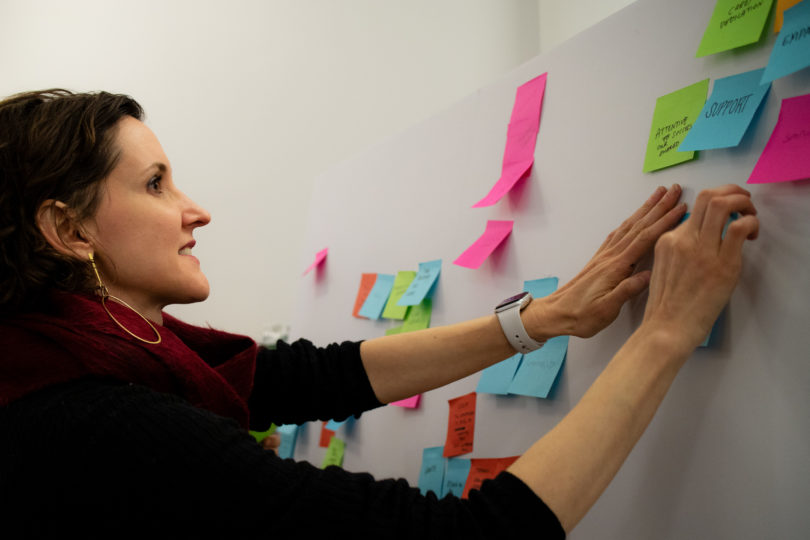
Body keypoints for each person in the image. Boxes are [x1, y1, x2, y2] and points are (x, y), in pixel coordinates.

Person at [0, 89, 759, 538]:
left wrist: (540, 320)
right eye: (157, 184)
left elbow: (315, 377)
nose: (196, 210)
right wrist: (663, 335)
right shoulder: (96, 423)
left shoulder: (77, 356)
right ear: (68, 231)